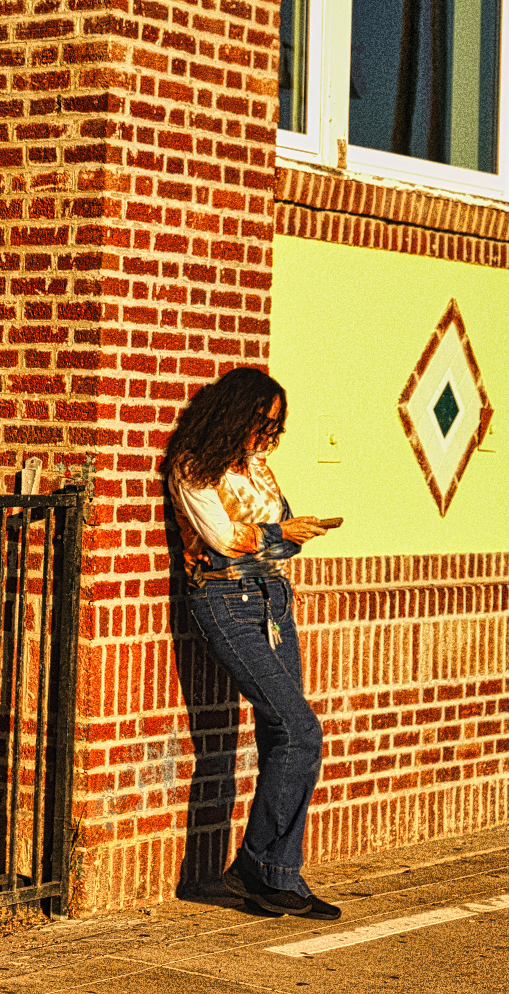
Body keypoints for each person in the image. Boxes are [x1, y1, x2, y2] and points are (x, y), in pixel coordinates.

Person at [163, 367, 340, 922]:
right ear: (233, 413)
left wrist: (278, 540)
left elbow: (277, 540)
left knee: (281, 735)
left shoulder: (257, 467)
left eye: (275, 427)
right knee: (300, 729)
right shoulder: (194, 466)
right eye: (261, 422)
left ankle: (269, 874)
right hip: (225, 601)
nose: (267, 435)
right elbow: (221, 541)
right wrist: (278, 537)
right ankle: (263, 870)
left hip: (273, 602)